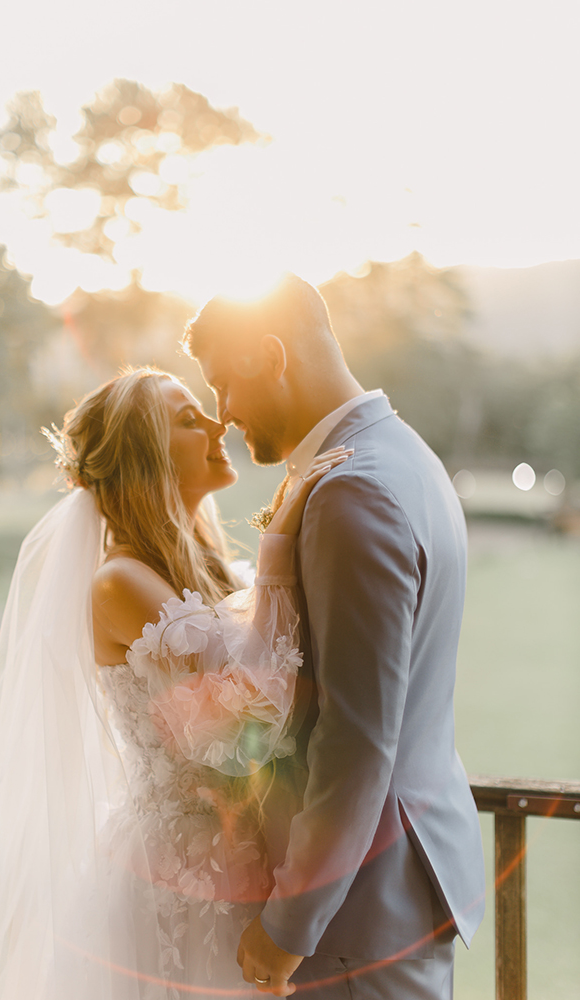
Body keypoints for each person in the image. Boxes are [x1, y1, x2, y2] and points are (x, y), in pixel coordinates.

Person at [0, 365, 350, 999]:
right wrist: (280, 543)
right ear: (146, 460)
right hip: (180, 877)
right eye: (187, 418)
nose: (216, 423)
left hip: (242, 858)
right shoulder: (119, 584)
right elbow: (246, 728)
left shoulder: (208, 565)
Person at [183, 274, 486, 999]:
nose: (223, 415)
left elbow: (356, 738)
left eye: (225, 384)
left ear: (270, 354)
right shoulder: (398, 454)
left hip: (357, 915)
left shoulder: (355, 491)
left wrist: (291, 925)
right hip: (389, 894)